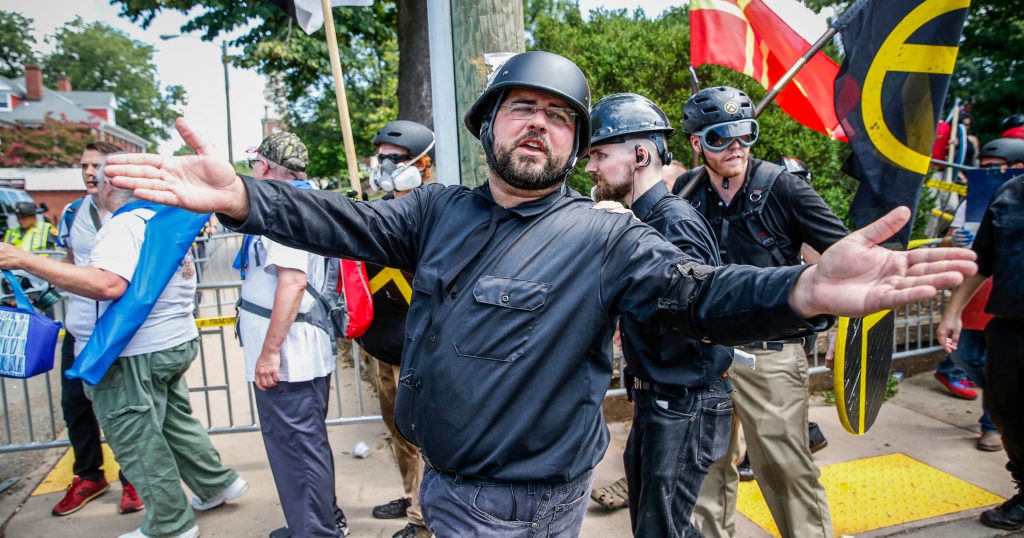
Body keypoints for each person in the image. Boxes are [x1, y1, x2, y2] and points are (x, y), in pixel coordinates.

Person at [103, 51, 975, 538]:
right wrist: (242, 198)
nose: (539, 125)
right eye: (521, 108)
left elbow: (699, 292)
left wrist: (804, 287)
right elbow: (342, 221)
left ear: (576, 142)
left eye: (559, 117)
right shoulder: (434, 210)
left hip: (556, 498)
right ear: (490, 126)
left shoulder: (608, 234)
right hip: (459, 499)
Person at [0, 163, 247, 538]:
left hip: (133, 353)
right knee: (173, 423)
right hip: (171, 341)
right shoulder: (162, 217)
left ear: (108, 187)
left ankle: (170, 524)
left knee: (136, 435)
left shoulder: (123, 224)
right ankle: (216, 484)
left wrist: (24, 259)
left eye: (95, 181)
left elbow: (108, 284)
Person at [674, 86, 848, 538]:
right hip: (706, 356)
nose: (735, 146)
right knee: (707, 472)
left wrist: (843, 325)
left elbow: (845, 255)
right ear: (696, 143)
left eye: (744, 133)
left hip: (771, 354)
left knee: (786, 470)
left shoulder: (783, 187)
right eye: (719, 137)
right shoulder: (685, 191)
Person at [586, 92, 732, 537]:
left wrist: (627, 236)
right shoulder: (642, 218)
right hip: (659, 400)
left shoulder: (673, 221)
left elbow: (695, 312)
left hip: (685, 402)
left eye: (600, 154)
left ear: (641, 154)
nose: (590, 167)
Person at [236, 132, 350, 538]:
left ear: (265, 168)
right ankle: (317, 521)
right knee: (305, 447)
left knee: (296, 451)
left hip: (290, 356)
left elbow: (293, 283)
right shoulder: (304, 202)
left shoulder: (284, 210)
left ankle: (315, 531)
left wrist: (269, 354)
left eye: (254, 165)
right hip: (299, 350)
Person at [49, 140, 143, 517]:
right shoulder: (72, 212)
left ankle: (133, 476)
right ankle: (89, 475)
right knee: (76, 405)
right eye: (84, 165)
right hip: (80, 325)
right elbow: (69, 261)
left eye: (96, 166)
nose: (89, 172)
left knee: (125, 407)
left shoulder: (134, 209)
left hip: (121, 327)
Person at [937, 170, 1024, 531]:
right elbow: (982, 260)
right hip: (1011, 329)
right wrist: (953, 312)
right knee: (1009, 415)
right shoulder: (1010, 193)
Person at [362, 119, 435, 538]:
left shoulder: (435, 213)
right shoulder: (375, 211)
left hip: (419, 347)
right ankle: (412, 496)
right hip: (382, 342)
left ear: (422, 164)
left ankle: (423, 518)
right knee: (396, 431)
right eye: (383, 157)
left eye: (397, 159)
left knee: (420, 433)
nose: (386, 165)